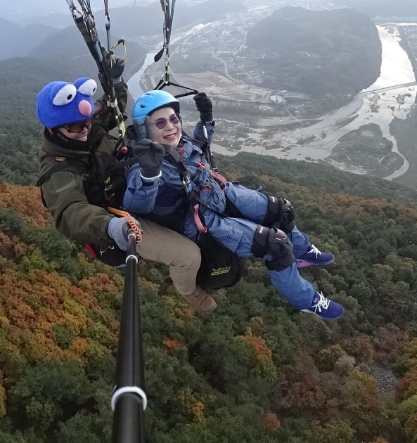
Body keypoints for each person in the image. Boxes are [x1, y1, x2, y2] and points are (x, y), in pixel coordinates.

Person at [122, 90, 344, 320]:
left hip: (219, 193)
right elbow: (136, 204)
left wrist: (206, 119)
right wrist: (149, 174)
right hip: (204, 220)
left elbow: (199, 145)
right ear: (144, 129)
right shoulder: (146, 164)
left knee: (281, 209)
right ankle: (307, 301)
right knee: (276, 245)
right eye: (160, 123)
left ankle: (303, 252)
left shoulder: (177, 141)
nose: (170, 126)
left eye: (174, 119)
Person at [34, 71, 217, 312]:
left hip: (139, 180)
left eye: (87, 123)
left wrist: (116, 81)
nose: (85, 130)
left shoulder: (83, 124)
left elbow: (113, 107)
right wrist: (109, 226)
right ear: (54, 129)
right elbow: (70, 211)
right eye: (76, 128)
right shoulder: (59, 170)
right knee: (188, 256)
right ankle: (191, 293)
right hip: (121, 216)